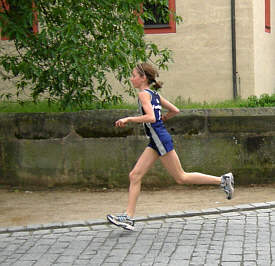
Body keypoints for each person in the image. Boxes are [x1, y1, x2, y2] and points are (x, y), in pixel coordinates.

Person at [107, 63, 234, 231]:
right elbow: (175, 110)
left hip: (159, 139)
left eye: (134, 75)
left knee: (181, 177)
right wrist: (163, 118)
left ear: (143, 78)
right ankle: (128, 217)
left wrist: (128, 119)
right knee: (135, 175)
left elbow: (151, 117)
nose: (131, 78)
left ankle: (222, 180)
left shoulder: (144, 95)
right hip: (157, 139)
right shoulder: (154, 94)